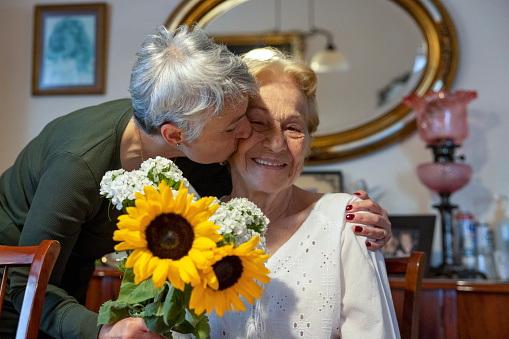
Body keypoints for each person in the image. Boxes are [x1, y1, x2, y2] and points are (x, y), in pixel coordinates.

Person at [0, 26, 390, 339]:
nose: (247, 136)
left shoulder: (202, 155)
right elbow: (25, 283)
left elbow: (268, 175)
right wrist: (103, 330)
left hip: (71, 274)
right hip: (12, 277)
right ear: (175, 136)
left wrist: (356, 216)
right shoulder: (78, 165)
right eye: (242, 126)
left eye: (290, 127)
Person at [207, 47, 399, 337]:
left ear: (307, 142)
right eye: (259, 123)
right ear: (228, 132)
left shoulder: (346, 222)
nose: (276, 144)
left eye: (293, 128)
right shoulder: (190, 226)